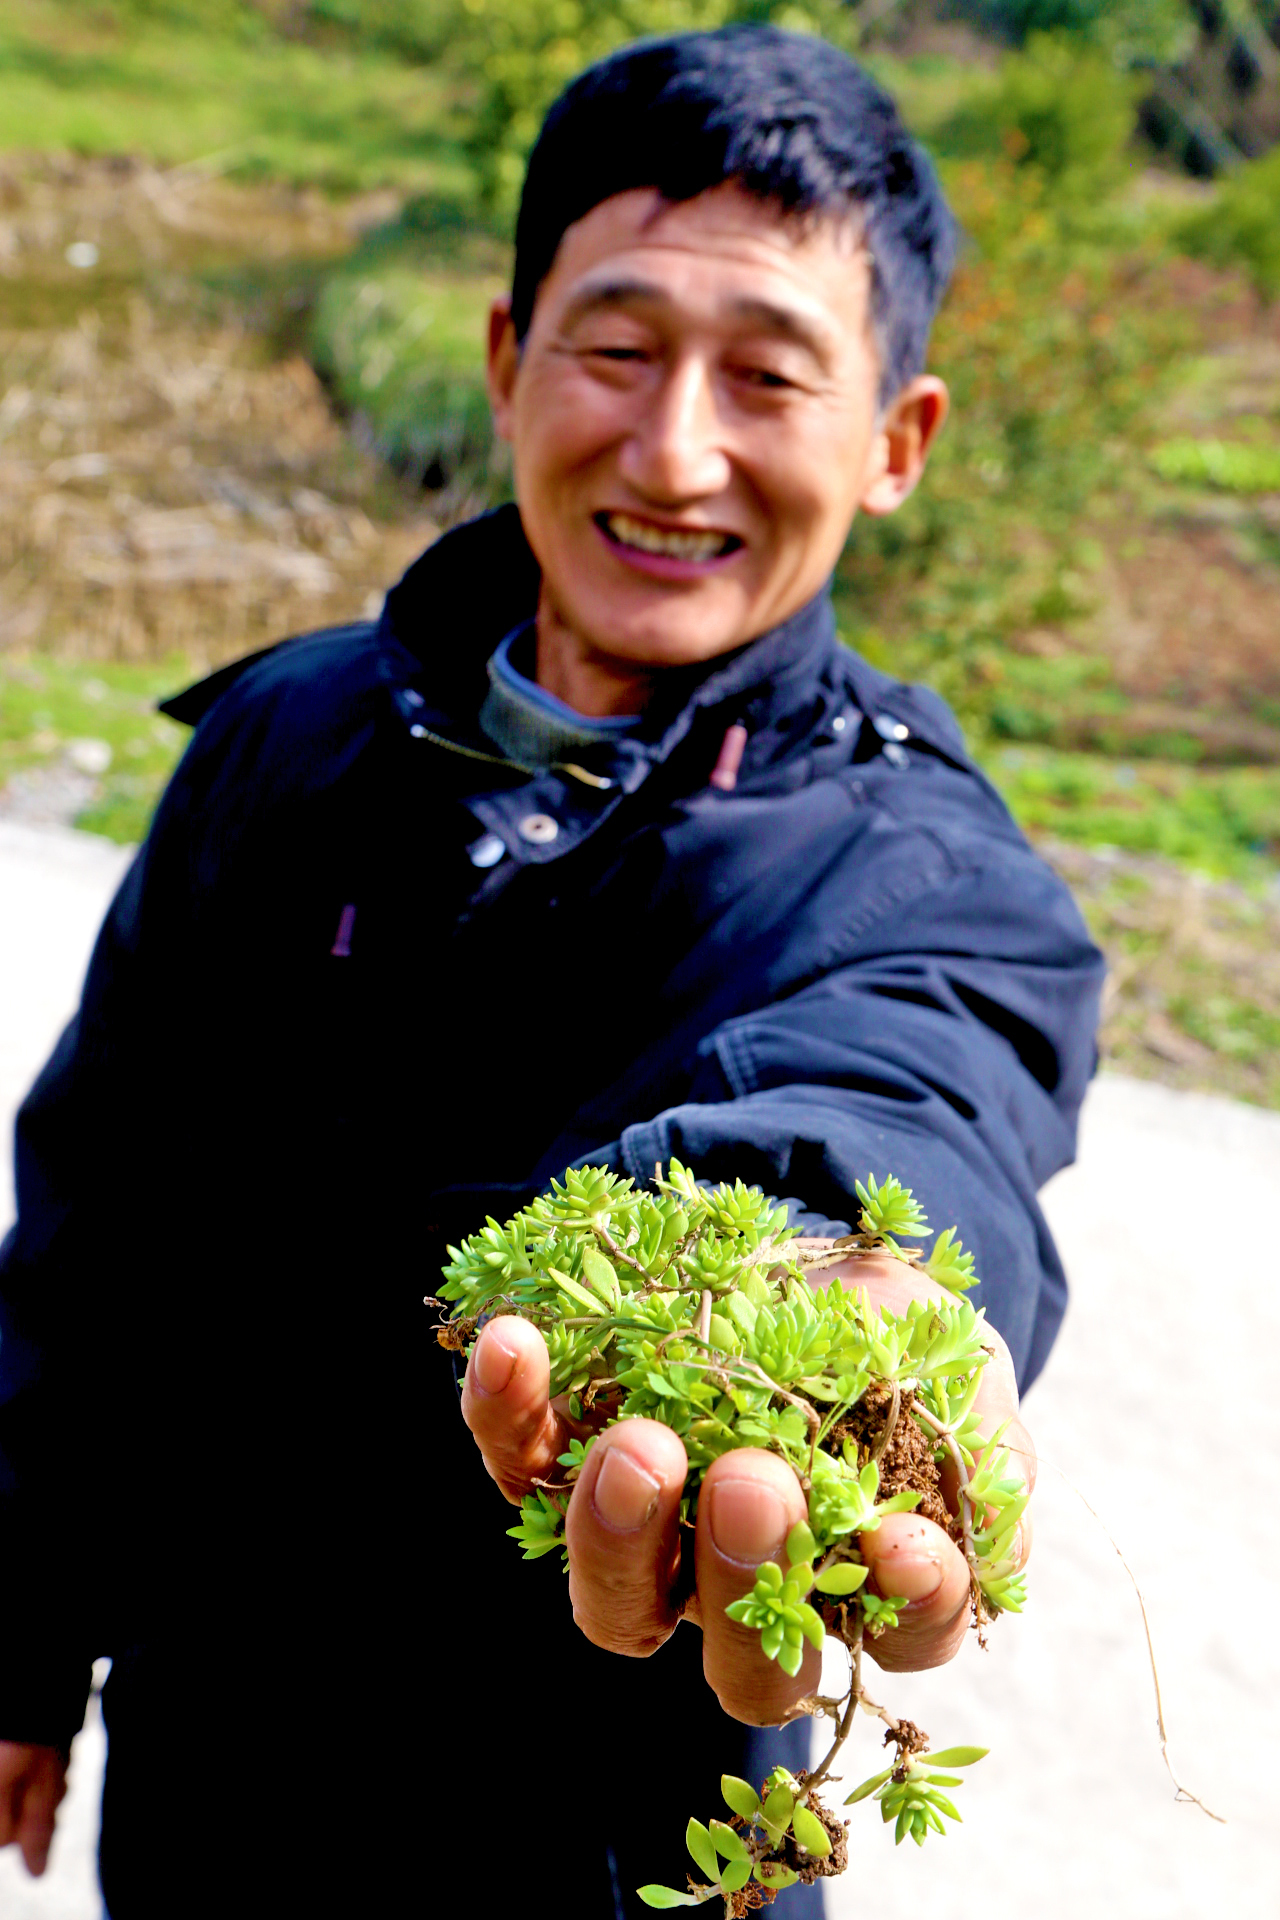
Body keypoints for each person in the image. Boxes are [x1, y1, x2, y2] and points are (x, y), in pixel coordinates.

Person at [0, 26, 1101, 1919]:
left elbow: (913, 1095)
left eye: (768, 375)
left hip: (591, 1860)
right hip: (213, 1803)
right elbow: (100, 1208)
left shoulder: (932, 876)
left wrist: (819, 1265)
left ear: (895, 442)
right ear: (511, 359)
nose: (675, 452)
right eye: (616, 346)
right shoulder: (289, 737)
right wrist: (27, 1616)